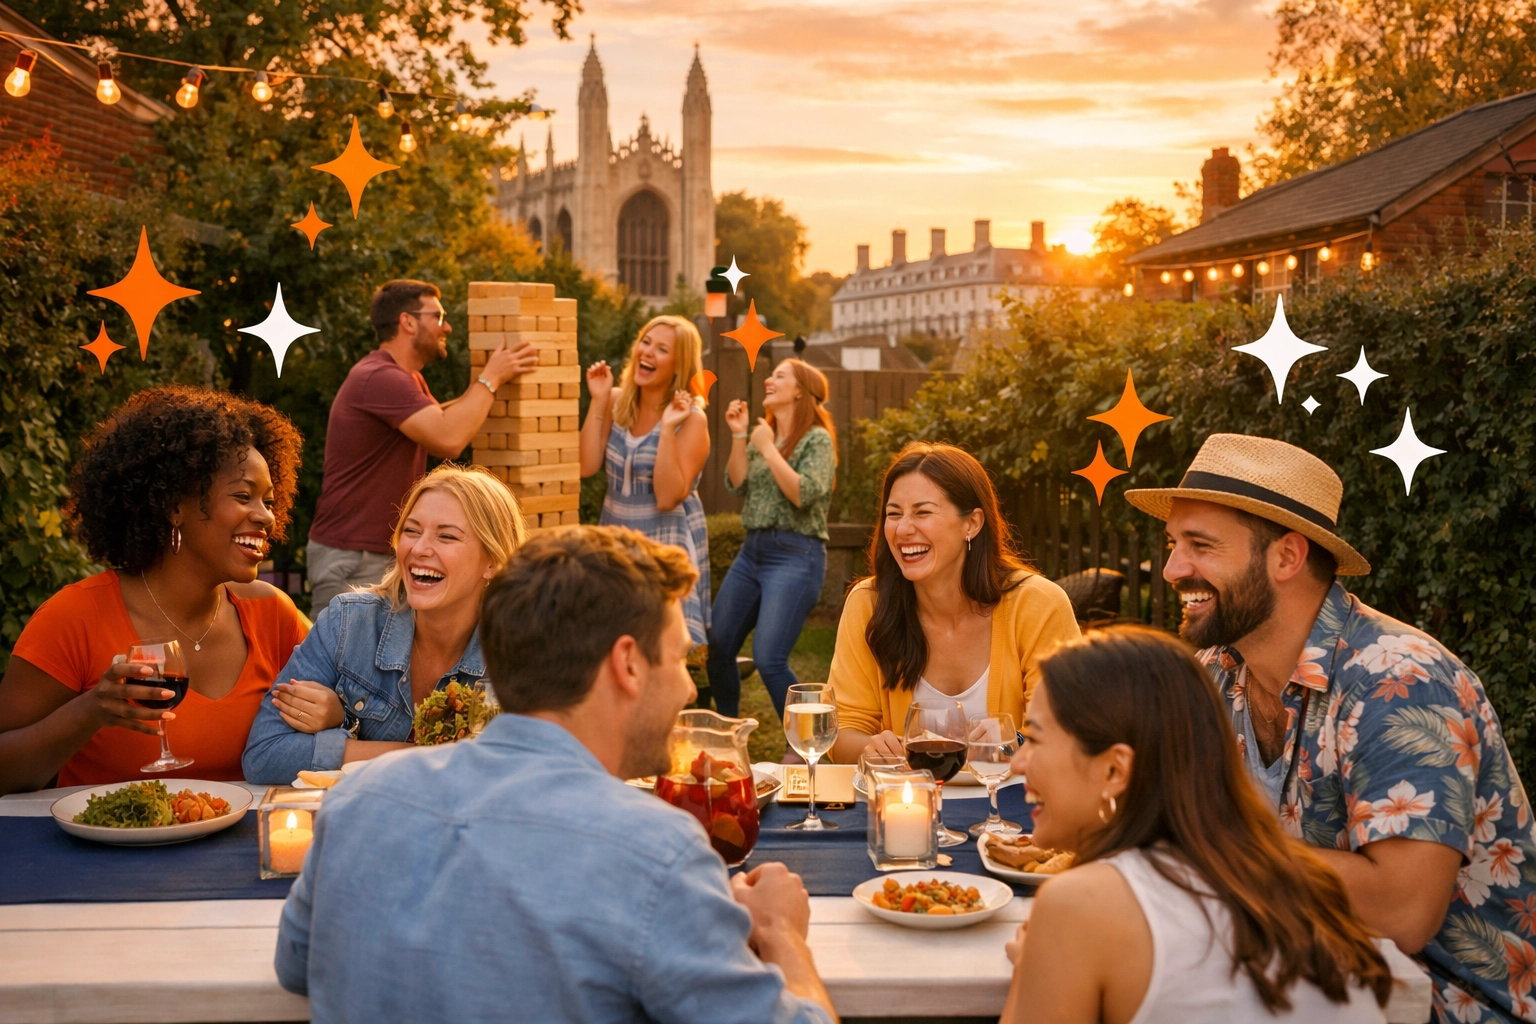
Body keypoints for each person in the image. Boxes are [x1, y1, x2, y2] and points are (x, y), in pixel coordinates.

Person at [274, 526, 838, 1024]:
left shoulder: (357, 804)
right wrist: (781, 934)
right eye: (680, 659)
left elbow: (295, 966)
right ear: (628, 664)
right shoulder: (656, 852)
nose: (689, 689)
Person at [1126, 433, 1536, 1023]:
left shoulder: (1399, 681)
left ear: (1287, 557)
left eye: (1200, 545)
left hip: (1444, 1004)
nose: (1171, 568)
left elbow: (1402, 912)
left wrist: (1207, 848)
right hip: (1299, 974)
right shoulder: (1215, 670)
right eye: (1172, 544)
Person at [1002, 627, 1392, 1023]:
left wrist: (1031, 968)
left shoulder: (1078, 906)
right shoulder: (1295, 879)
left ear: (1114, 769)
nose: (1017, 764)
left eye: (1033, 739)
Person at [0, 386, 308, 793]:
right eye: (243, 496)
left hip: (240, 852)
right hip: (102, 853)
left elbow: (354, 693)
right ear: (173, 506)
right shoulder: (74, 617)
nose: (266, 516)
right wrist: (89, 712)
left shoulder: (273, 615)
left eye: (269, 501)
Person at [243, 465, 524, 783]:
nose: (419, 549)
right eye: (412, 531)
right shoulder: (348, 623)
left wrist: (346, 730)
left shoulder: (521, 650)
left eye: (446, 536)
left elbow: (537, 768)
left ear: (492, 561)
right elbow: (265, 754)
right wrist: (418, 754)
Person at [828, 443, 1079, 764]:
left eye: (923, 512)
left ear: (971, 524)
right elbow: (843, 730)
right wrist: (869, 748)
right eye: (893, 514)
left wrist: (1013, 742)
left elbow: (1070, 730)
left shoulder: (1039, 606)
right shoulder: (868, 605)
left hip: (1013, 805)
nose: (903, 529)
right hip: (908, 803)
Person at [306, 279, 538, 614]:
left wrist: (490, 384)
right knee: (342, 661)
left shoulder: (405, 379)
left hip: (374, 552)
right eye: (438, 316)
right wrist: (492, 378)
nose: (447, 326)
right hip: (355, 558)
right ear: (407, 321)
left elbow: (446, 417)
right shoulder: (381, 377)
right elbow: (449, 438)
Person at [708, 358, 838, 718]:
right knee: (718, 645)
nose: (769, 379)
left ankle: (806, 741)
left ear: (800, 391)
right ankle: (727, 730)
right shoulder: (765, 434)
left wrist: (766, 447)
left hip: (796, 555)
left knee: (769, 658)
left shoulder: (816, 440)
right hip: (752, 553)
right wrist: (739, 434)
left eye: (780, 375)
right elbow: (738, 482)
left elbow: (803, 493)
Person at [579, 315, 711, 644]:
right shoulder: (615, 401)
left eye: (661, 349)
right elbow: (586, 465)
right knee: (612, 646)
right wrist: (598, 398)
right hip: (616, 542)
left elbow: (668, 497)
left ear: (678, 365)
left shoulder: (692, 420)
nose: (647, 352)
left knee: (659, 651)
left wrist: (667, 429)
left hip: (665, 546)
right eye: (646, 342)